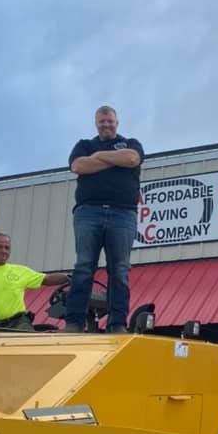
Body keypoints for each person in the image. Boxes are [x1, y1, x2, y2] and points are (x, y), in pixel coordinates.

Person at [64, 105, 144, 333]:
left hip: (123, 214)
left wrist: (98, 158)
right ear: (95, 123)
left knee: (119, 270)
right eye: (102, 121)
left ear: (117, 122)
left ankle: (117, 324)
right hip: (89, 212)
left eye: (110, 121)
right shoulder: (84, 145)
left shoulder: (131, 143)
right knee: (84, 267)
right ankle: (74, 322)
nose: (106, 125)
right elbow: (78, 165)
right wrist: (113, 160)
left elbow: (132, 159)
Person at [0, 233, 68, 330]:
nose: (3, 251)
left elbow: (47, 279)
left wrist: (72, 277)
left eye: (7, 248)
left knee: (28, 342)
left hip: (16, 323)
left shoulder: (20, 271)